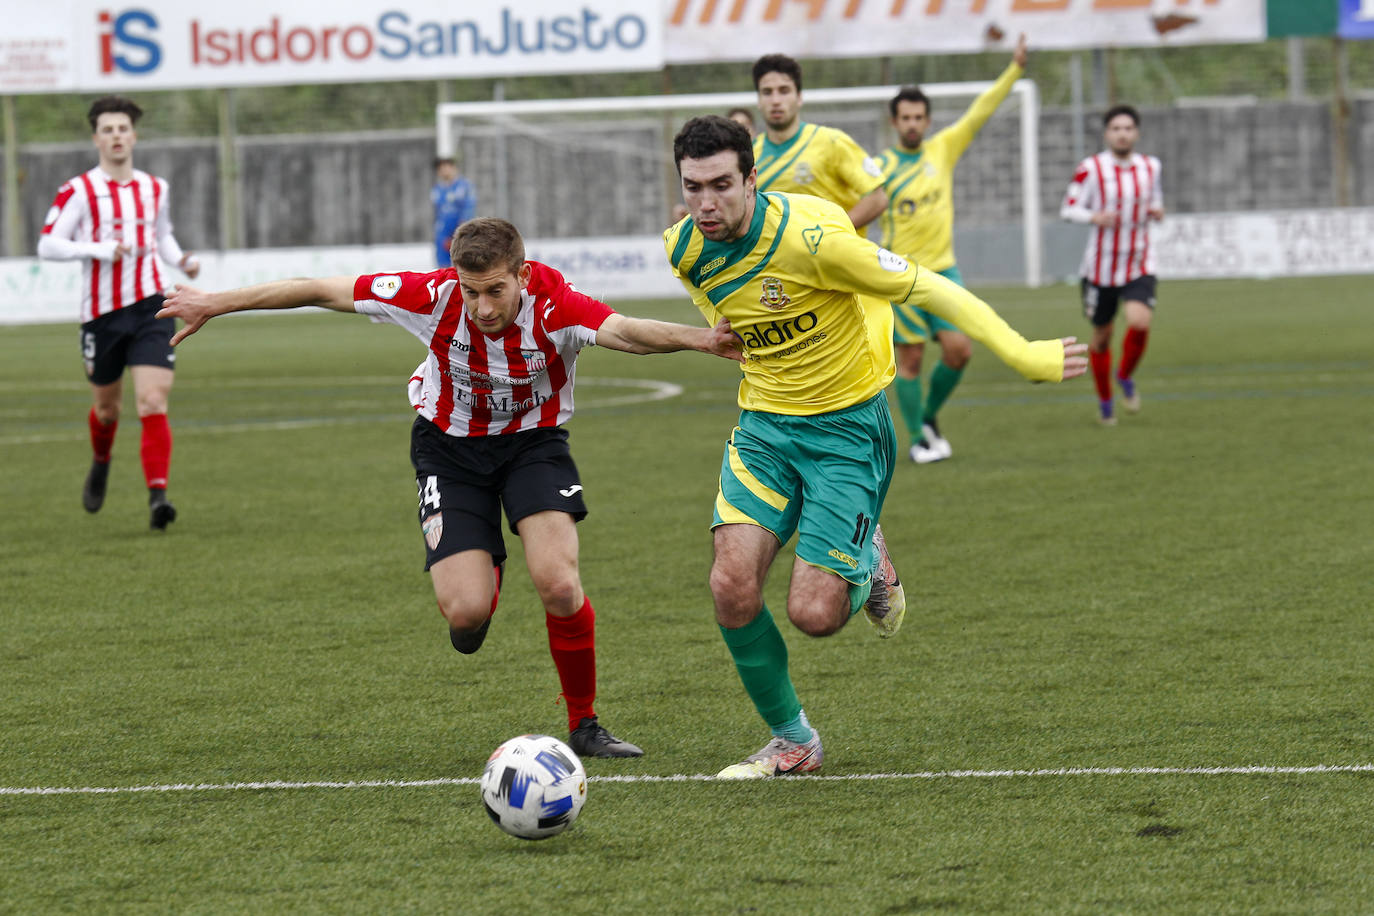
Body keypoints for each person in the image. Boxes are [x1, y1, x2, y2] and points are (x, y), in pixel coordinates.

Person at [158, 217, 742, 758]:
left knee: (560, 584)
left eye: (495, 290)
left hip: (532, 446)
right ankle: (486, 569)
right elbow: (318, 289)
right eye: (471, 291)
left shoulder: (555, 304)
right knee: (465, 615)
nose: (482, 306)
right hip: (448, 450)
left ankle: (585, 724)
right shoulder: (430, 295)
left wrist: (701, 339)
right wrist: (215, 302)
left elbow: (627, 331)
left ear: (523, 273)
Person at [665, 116, 1087, 779]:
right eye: (693, 188)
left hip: (847, 431)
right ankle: (793, 741)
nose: (707, 204)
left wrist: (1023, 352)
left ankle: (868, 554)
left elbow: (929, 285)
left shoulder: (814, 240)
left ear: (752, 178)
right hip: (764, 429)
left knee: (814, 615)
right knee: (730, 586)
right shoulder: (685, 248)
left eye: (722, 184)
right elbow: (729, 317)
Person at [38, 95, 200, 530]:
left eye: (123, 129)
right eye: (108, 130)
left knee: (152, 400)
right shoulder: (79, 190)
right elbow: (48, 244)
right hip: (102, 314)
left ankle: (158, 499)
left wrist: (182, 260)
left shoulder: (154, 187)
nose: (116, 136)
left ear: (134, 135)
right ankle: (101, 458)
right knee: (108, 410)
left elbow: (161, 236)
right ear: (96, 137)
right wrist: (99, 249)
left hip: (152, 305)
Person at [876, 35, 1028, 463]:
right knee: (911, 360)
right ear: (894, 122)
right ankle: (919, 441)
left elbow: (980, 113)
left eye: (918, 117)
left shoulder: (942, 150)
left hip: (944, 272)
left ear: (927, 121)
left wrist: (1014, 69)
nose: (912, 123)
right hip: (901, 277)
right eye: (905, 117)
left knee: (960, 351)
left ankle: (926, 416)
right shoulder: (880, 168)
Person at [1060, 104, 1163, 425]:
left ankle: (1124, 375)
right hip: (1100, 269)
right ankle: (1105, 401)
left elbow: (1155, 200)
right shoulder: (1090, 168)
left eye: (1128, 128)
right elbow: (1069, 208)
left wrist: (1157, 211)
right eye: (1116, 128)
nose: (1122, 134)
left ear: (1137, 133)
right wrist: (1095, 216)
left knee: (1140, 320)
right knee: (1101, 337)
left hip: (1138, 260)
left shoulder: (1151, 167)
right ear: (1107, 134)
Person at [750, 54, 888, 230]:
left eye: (784, 91)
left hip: (834, 256)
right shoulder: (749, 154)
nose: (776, 100)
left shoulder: (832, 141)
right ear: (759, 101)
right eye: (767, 92)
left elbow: (877, 198)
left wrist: (830, 234)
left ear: (799, 97)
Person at [431, 156, 476, 268]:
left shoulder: (464, 187)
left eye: (446, 167)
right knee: (443, 267)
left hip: (460, 231)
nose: (443, 171)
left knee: (463, 264)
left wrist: (460, 232)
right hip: (443, 234)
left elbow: (468, 209)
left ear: (453, 168)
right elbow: (437, 213)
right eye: (440, 169)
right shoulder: (437, 189)